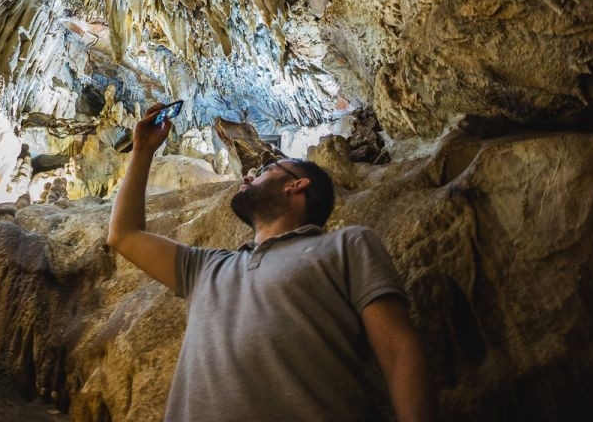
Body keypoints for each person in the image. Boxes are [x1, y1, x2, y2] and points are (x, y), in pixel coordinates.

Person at [107, 103, 437, 422]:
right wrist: (143, 150)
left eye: (266, 170)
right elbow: (124, 234)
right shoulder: (205, 267)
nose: (249, 176)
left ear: (297, 184)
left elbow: (398, 352)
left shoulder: (345, 246)